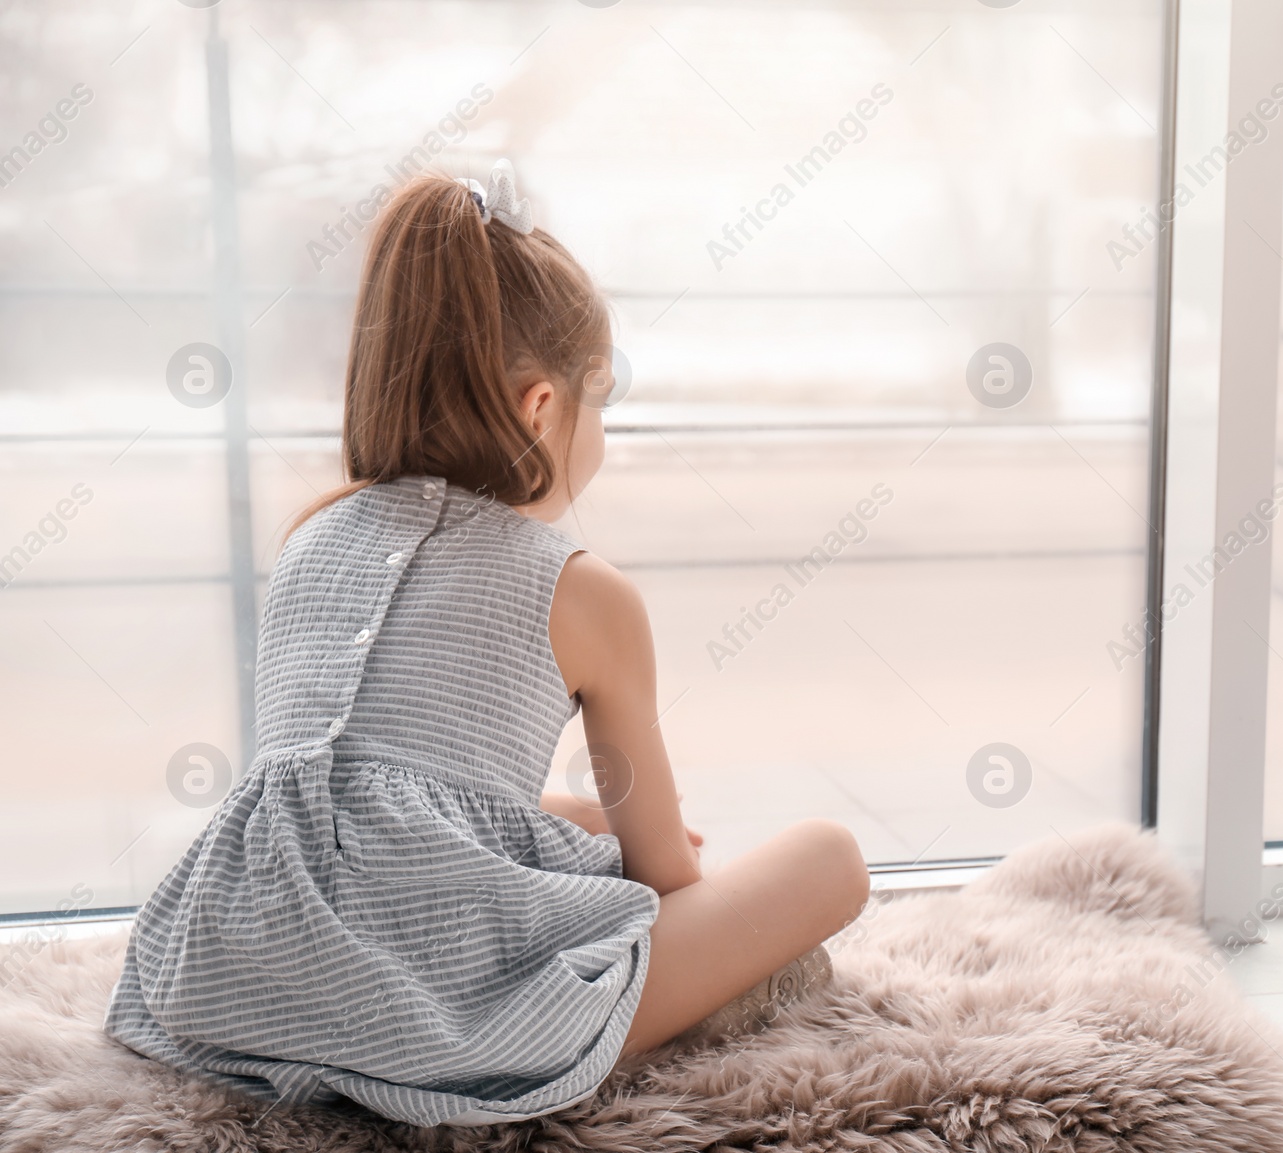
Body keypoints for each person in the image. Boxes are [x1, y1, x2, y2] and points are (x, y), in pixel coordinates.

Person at [103, 160, 870, 1128]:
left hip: (236, 979)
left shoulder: (310, 543)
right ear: (542, 406)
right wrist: (637, 846)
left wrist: (570, 818)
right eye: (602, 398)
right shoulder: (585, 590)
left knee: (564, 833)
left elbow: (349, 779)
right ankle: (577, 1026)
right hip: (441, 1021)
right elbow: (665, 877)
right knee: (829, 859)